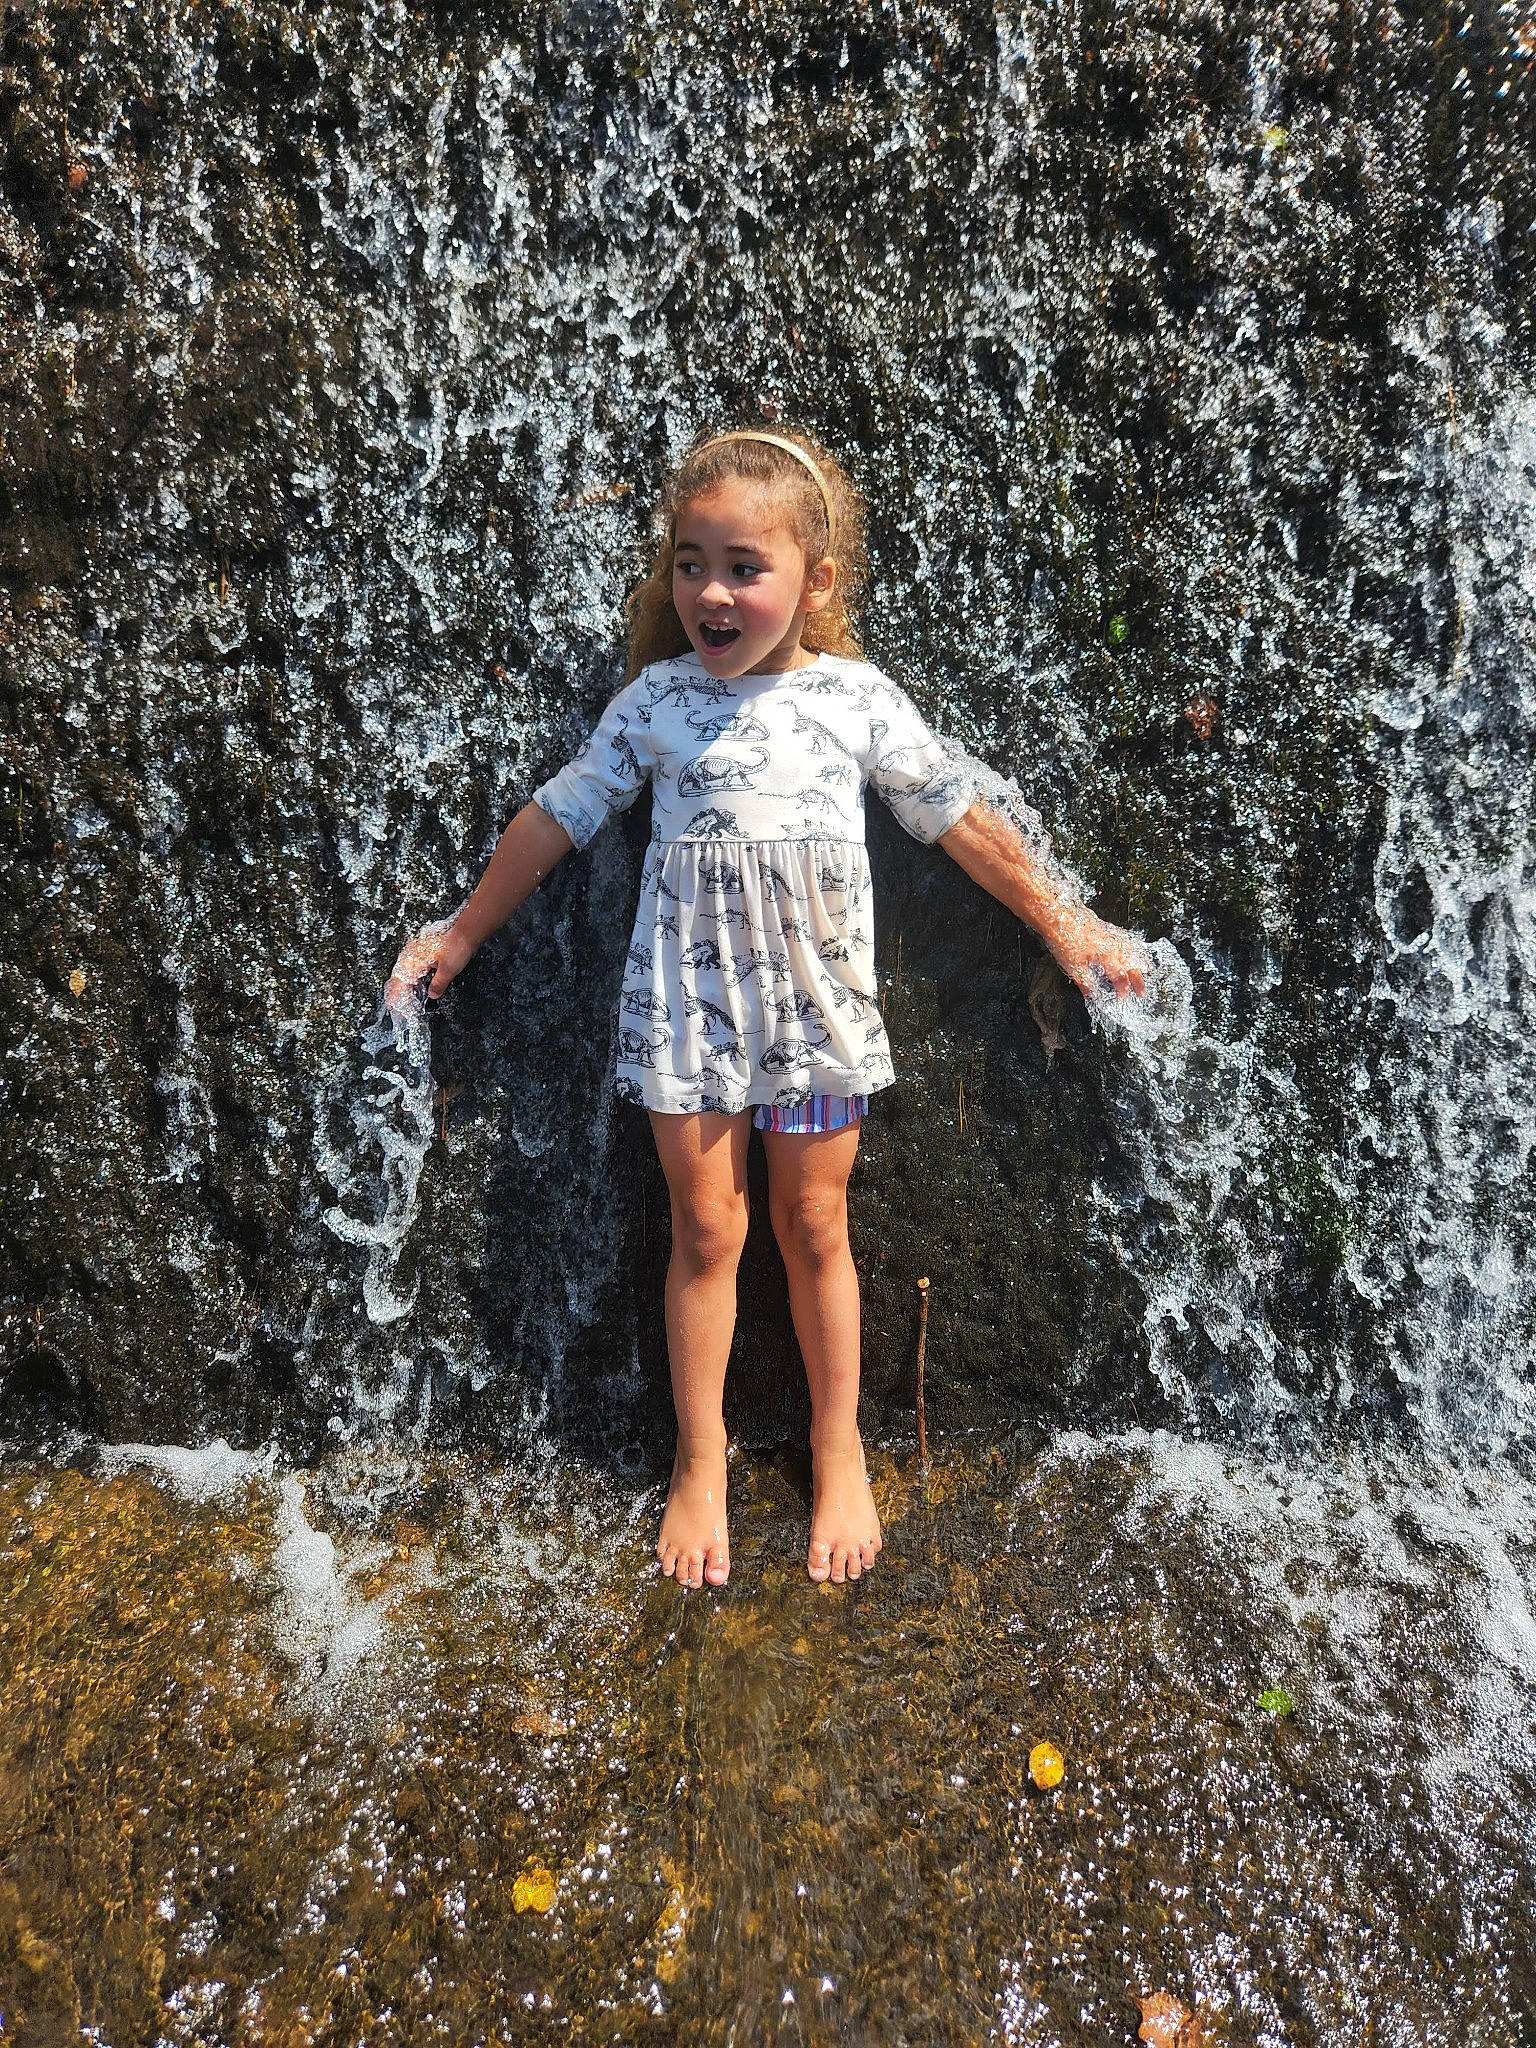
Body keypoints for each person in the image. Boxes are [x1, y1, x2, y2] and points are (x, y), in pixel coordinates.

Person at [384, 426, 1147, 1591]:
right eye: (691, 562)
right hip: (690, 1007)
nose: (713, 591)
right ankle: (701, 1454)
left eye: (745, 564)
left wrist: (1066, 921)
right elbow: (558, 816)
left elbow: (959, 817)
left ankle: (838, 1444)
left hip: (815, 1012)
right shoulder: (656, 701)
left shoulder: (855, 698)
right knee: (707, 1232)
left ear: (816, 580)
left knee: (816, 1226)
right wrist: (464, 929)